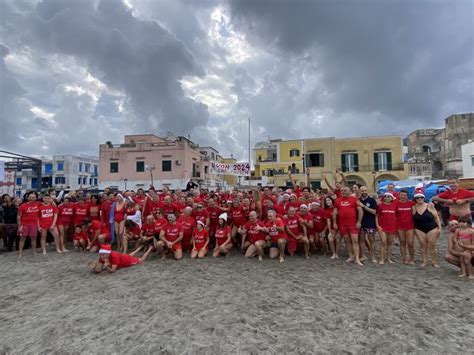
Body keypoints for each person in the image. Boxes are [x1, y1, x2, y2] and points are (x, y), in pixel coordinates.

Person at [333, 187, 363, 266]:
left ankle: (357, 258)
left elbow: (360, 210)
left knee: (355, 241)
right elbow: (335, 212)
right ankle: (351, 256)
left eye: (345, 190)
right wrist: (334, 223)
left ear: (349, 191)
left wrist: (359, 222)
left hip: (353, 224)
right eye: (342, 190)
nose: (343, 192)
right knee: (347, 240)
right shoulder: (338, 200)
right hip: (342, 224)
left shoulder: (354, 199)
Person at [413, 193, 442, 267]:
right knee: (422, 244)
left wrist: (439, 227)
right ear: (415, 199)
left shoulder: (430, 205)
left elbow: (436, 217)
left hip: (431, 227)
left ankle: (434, 262)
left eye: (421, 197)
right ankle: (424, 261)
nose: (419, 199)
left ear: (424, 198)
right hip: (419, 228)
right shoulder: (413, 208)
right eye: (417, 198)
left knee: (432, 245)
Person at [17, 191, 41, 257]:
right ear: (28, 198)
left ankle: (33, 252)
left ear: (36, 198)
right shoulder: (22, 205)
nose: (31, 198)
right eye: (30, 197)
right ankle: (20, 253)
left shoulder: (38, 204)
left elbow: (48, 203)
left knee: (33, 238)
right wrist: (20, 226)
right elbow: (19, 216)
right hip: (24, 225)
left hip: (34, 224)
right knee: (22, 238)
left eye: (33, 197)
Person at [376, 192, 397, 265]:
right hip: (383, 227)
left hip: (392, 227)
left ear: (392, 198)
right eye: (386, 196)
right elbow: (376, 216)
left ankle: (388, 258)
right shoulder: (380, 206)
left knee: (390, 243)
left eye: (389, 197)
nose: (387, 198)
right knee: (383, 242)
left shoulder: (394, 206)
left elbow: (397, 215)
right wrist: (377, 225)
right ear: (384, 197)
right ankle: (381, 258)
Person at [358, 186, 377, 263]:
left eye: (365, 190)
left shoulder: (372, 200)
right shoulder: (358, 200)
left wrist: (364, 207)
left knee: (372, 240)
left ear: (367, 191)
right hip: (361, 224)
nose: (364, 192)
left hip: (370, 224)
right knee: (361, 240)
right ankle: (363, 256)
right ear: (360, 191)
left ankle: (373, 256)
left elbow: (375, 212)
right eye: (362, 191)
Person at [396, 190, 415, 264]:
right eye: (401, 195)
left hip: (410, 226)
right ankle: (404, 258)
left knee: (410, 244)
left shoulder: (411, 203)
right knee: (402, 242)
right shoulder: (396, 203)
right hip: (399, 226)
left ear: (407, 196)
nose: (403, 196)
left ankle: (412, 258)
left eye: (404, 195)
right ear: (399, 195)